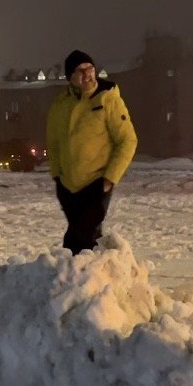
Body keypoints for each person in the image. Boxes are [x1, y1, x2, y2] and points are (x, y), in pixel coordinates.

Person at [46, 50, 138, 253]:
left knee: (79, 238)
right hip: (68, 186)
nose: (87, 74)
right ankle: (93, 278)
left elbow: (128, 140)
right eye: (81, 71)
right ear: (70, 77)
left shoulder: (108, 100)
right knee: (84, 239)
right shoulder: (60, 105)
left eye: (90, 69)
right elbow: (53, 143)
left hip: (96, 183)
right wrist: (57, 175)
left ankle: (83, 280)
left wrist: (110, 178)